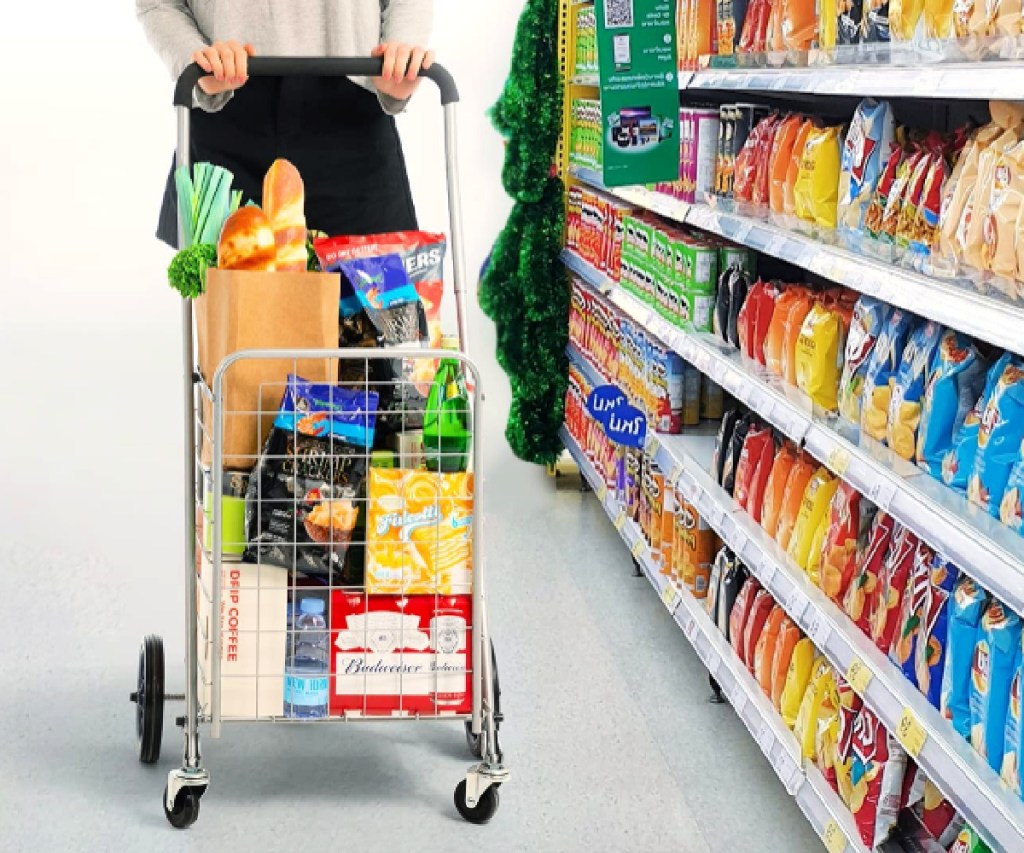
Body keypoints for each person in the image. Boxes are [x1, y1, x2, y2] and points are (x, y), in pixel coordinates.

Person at [136, 1, 434, 247]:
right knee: (234, 314)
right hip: (225, 107)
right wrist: (195, 59)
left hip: (353, 118)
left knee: (378, 312)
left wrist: (401, 55)